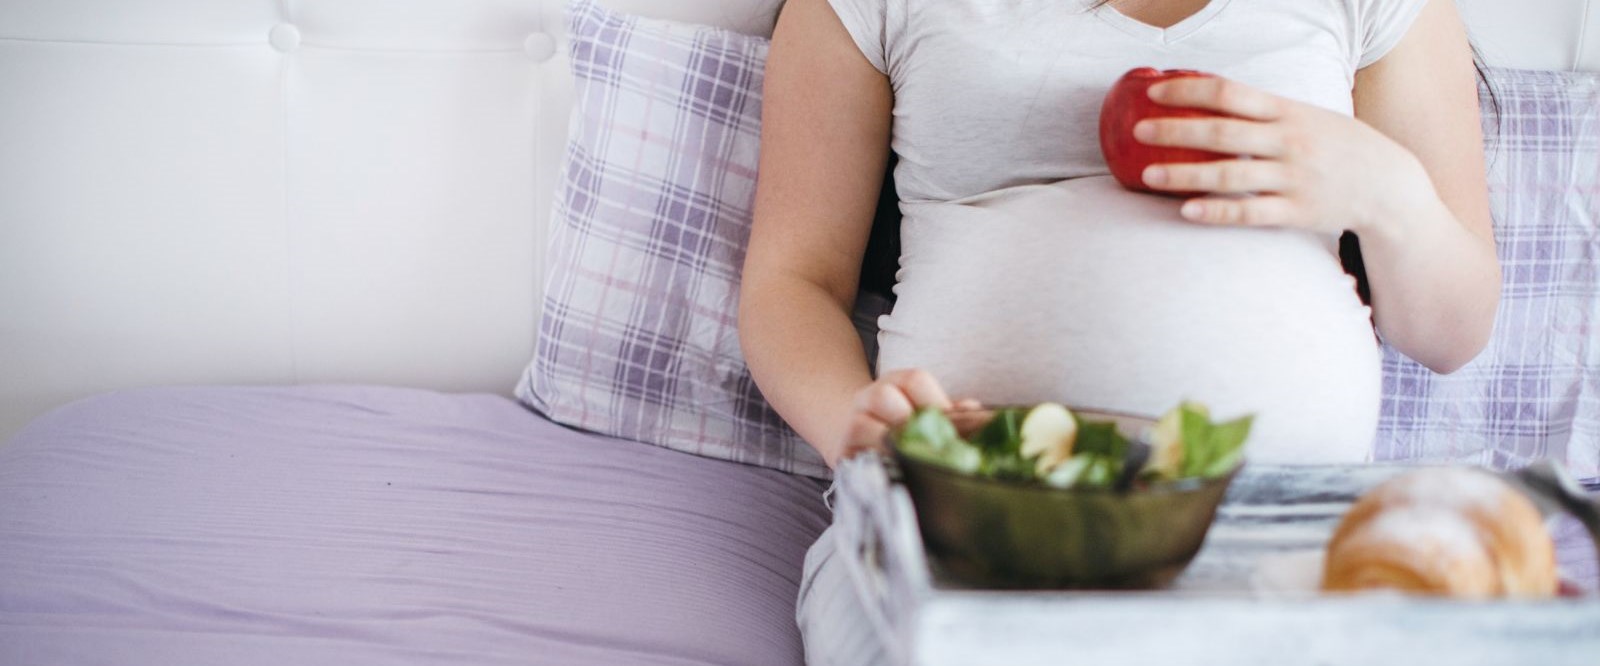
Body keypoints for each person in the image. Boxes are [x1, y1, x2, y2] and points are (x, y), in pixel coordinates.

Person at [738, 0, 1500, 662]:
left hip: (1287, 530)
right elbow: (792, 282)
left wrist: (1387, 194)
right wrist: (858, 426)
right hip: (980, 518)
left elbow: (1453, 331)